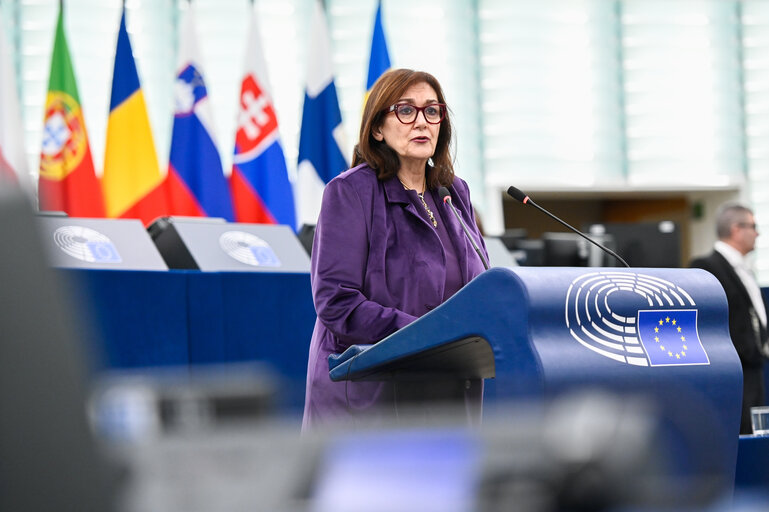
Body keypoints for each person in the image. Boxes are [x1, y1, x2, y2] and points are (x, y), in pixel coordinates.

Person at [302, 69, 489, 429]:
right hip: (371, 399)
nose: (422, 121)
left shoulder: (453, 193)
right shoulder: (351, 193)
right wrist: (427, 335)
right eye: (406, 110)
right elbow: (336, 301)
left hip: (446, 392)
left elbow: (479, 288)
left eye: (432, 111)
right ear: (377, 128)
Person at [690, 202, 769, 434]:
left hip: (755, 371)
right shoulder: (706, 267)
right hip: (732, 373)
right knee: (740, 442)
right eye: (753, 227)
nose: (757, 233)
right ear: (736, 229)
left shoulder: (744, 269)